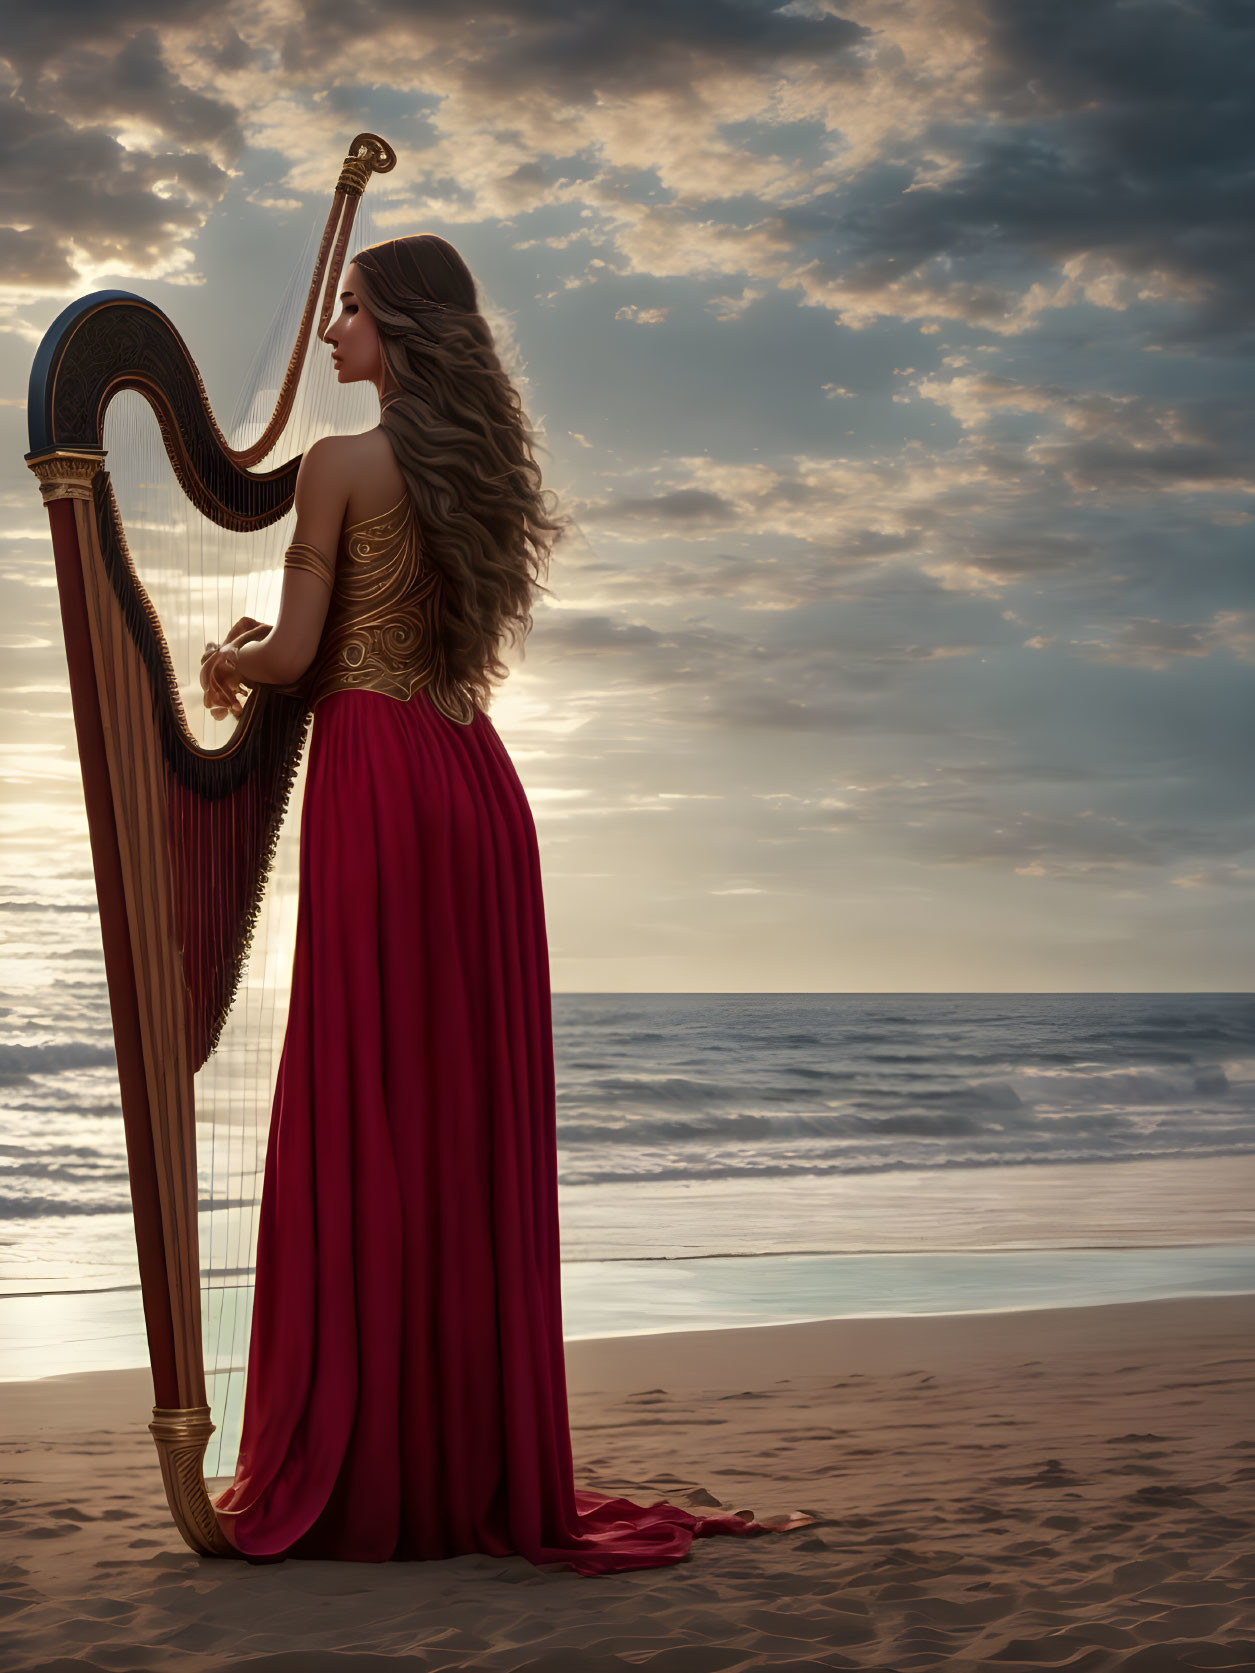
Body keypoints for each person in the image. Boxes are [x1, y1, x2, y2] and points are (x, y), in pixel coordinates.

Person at [201, 236, 813, 1573]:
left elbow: (303, 656)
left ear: (404, 331)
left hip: (376, 784)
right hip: (474, 791)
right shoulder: (476, 482)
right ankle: (465, 1458)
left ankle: (371, 1467)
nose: (333, 335)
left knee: (371, 1102)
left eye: (351, 312)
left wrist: (222, 657)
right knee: (452, 1117)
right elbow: (433, 650)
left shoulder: (338, 467)